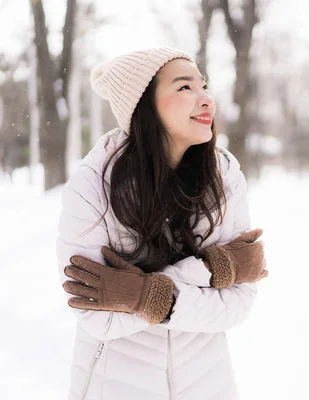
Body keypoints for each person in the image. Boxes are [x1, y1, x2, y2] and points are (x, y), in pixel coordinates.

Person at [56, 47, 268, 400]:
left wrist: (145, 297)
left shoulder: (223, 174)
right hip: (117, 386)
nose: (206, 99)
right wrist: (214, 270)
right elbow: (97, 317)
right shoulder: (93, 184)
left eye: (204, 85)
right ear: (144, 106)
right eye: (185, 88)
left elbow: (239, 304)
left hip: (207, 383)